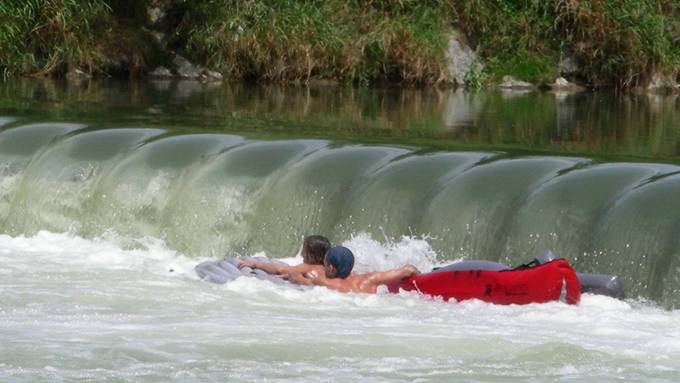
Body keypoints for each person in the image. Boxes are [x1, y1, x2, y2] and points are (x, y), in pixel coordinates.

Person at [286, 246, 420, 294]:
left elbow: (297, 278)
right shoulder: (370, 280)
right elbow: (409, 269)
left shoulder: (325, 283)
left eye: (325, 264)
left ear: (331, 268)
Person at [237, 235, 331, 276]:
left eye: (304, 250)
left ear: (311, 256)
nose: (302, 254)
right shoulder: (325, 269)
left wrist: (255, 264)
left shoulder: (311, 267)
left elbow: (281, 270)